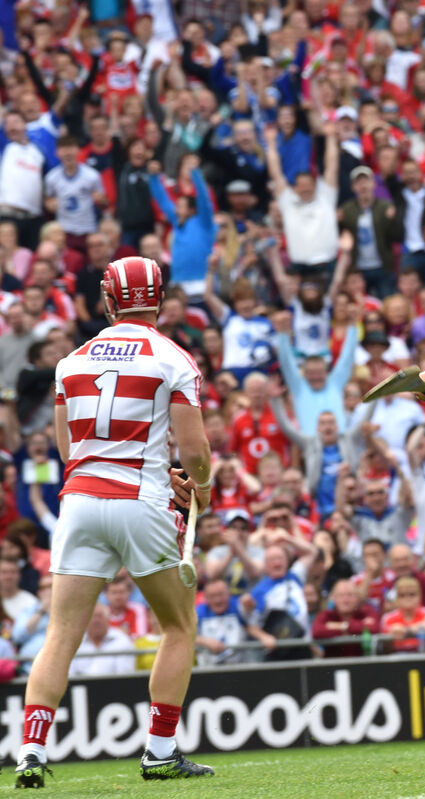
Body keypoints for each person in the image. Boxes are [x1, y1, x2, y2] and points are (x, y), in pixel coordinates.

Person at [17, 256, 214, 786]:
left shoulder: (72, 361)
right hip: (139, 503)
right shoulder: (172, 357)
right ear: (160, 300)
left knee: (60, 633)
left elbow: (68, 449)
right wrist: (201, 484)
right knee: (178, 626)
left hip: (79, 502)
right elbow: (194, 450)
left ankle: (31, 751)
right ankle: (159, 750)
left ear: (108, 300)